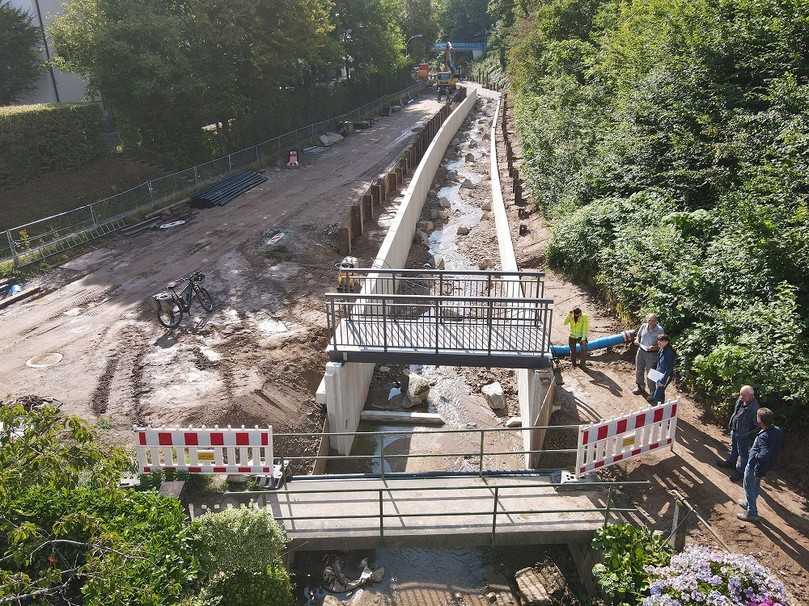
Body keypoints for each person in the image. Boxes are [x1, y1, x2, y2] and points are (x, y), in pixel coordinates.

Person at [738, 407, 783, 523]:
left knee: (748, 486)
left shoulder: (764, 436)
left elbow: (763, 455)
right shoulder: (777, 430)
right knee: (755, 486)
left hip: (755, 466)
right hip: (764, 467)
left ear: (760, 421)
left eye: (757, 417)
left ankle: (751, 512)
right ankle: (748, 503)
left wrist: (755, 457)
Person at [717, 386, 759, 482]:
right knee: (733, 449)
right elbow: (735, 413)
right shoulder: (741, 400)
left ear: (751, 396)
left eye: (743, 395)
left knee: (743, 455)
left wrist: (747, 435)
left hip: (743, 436)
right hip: (735, 431)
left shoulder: (754, 409)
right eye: (740, 394)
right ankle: (731, 463)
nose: (741, 397)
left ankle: (740, 472)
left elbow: (757, 427)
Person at [633, 314, 665, 395]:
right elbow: (638, 336)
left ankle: (652, 393)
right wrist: (637, 340)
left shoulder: (660, 330)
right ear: (647, 320)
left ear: (656, 321)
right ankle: (640, 388)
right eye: (649, 320)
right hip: (641, 351)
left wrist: (654, 347)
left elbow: (662, 344)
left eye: (653, 320)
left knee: (650, 374)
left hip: (652, 354)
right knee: (639, 370)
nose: (651, 322)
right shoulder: (643, 326)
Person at [650, 334, 674, 404]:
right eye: (658, 340)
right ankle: (661, 404)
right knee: (660, 391)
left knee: (658, 392)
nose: (658, 342)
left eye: (661, 341)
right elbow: (658, 360)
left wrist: (663, 381)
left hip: (664, 376)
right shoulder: (662, 348)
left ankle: (656, 405)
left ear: (666, 342)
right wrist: (653, 370)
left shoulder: (669, 352)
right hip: (659, 373)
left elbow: (669, 368)